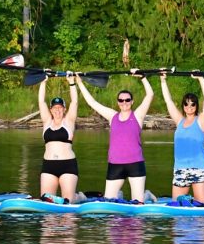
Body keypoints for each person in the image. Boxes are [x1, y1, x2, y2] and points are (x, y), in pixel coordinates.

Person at [77, 69, 155, 202]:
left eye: (127, 100)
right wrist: (79, 82)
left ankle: (146, 195)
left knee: (138, 203)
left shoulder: (137, 115)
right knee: (108, 202)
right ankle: (119, 195)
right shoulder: (112, 116)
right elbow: (92, 103)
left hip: (135, 164)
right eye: (121, 100)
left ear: (132, 101)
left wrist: (142, 77)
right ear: (118, 102)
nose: (124, 103)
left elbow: (150, 95)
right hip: (115, 164)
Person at [160, 71, 204, 205]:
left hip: (199, 168)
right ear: (183, 106)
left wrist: (201, 79)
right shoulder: (179, 121)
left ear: (196, 106)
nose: (189, 107)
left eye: (192, 104)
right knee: (176, 204)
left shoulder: (201, 121)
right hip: (180, 168)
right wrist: (163, 80)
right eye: (186, 104)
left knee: (201, 204)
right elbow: (168, 101)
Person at [37, 73, 81, 203]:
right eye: (55, 108)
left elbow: (75, 101)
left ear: (64, 109)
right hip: (48, 166)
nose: (57, 110)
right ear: (51, 110)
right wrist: (43, 82)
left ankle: (80, 197)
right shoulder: (47, 122)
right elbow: (41, 101)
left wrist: (71, 82)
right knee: (46, 200)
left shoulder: (69, 122)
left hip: (67, 165)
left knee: (68, 201)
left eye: (60, 108)